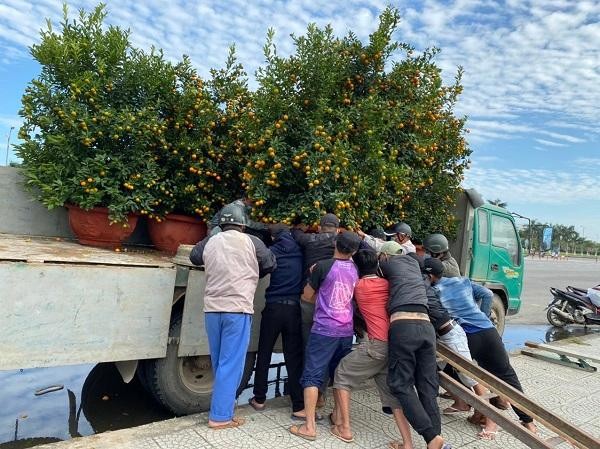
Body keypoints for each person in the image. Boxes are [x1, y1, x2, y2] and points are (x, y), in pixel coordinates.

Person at [426, 258, 537, 439]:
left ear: (429, 275)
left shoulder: (432, 290)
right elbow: (487, 294)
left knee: (450, 372)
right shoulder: (463, 281)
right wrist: (484, 314)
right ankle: (528, 422)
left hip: (468, 336)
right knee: (507, 376)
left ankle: (484, 411)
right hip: (489, 331)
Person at [189, 204, 276, 429]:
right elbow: (270, 263)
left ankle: (224, 410)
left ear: (222, 224)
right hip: (237, 311)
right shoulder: (252, 242)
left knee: (220, 364)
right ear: (243, 225)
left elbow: (194, 257)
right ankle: (220, 417)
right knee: (231, 365)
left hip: (212, 311)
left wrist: (214, 237)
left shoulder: (211, 241)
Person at [331, 249, 414, 448]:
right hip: (394, 345)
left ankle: (345, 428)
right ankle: (407, 443)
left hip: (376, 345)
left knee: (342, 374)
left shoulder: (358, 286)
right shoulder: (387, 284)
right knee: (392, 397)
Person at [289, 231, 361, 442]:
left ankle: (309, 426)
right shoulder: (355, 269)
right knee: (340, 376)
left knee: (312, 375)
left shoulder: (323, 266)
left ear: (335, 244)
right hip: (346, 331)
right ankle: (342, 425)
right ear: (354, 251)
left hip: (323, 330)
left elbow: (307, 295)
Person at [378, 241, 451, 449]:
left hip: (404, 326)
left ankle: (431, 437)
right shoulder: (416, 265)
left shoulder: (386, 263)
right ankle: (436, 441)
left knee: (400, 384)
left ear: (384, 256)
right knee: (427, 386)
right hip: (426, 327)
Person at [248, 224, 305, 419]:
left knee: (264, 353)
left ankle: (259, 399)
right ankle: (298, 405)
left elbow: (260, 271)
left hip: (273, 308)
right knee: (293, 357)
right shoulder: (301, 252)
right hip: (294, 309)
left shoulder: (272, 252)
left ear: (273, 238)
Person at [292, 213, 340, 406]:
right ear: (337, 228)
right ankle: (319, 394)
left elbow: (295, 233)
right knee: (325, 349)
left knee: (307, 346)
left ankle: (305, 395)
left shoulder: (309, 239)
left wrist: (300, 226)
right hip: (330, 303)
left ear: (320, 228)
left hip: (309, 299)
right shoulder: (339, 241)